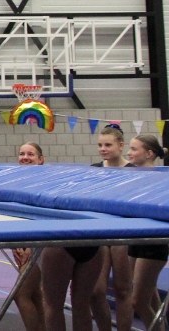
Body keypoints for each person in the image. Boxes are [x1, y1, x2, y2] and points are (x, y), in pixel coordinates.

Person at [89, 124, 132, 331]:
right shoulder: (95, 170)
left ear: (121, 145)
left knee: (123, 290)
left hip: (123, 233)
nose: (103, 149)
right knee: (96, 291)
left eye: (108, 144)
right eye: (99, 145)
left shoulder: (134, 172)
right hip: (100, 231)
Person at [126, 134, 169, 330]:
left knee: (139, 302)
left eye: (134, 149)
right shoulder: (130, 175)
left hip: (153, 240)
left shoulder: (160, 178)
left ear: (149, 154)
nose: (129, 152)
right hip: (136, 236)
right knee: (149, 298)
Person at [11, 143, 45, 331]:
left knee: (21, 294)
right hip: (23, 242)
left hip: (39, 244)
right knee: (35, 294)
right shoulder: (16, 183)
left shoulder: (42, 184)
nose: (25, 157)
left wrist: (32, 246)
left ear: (41, 160)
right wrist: (16, 244)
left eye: (30, 154)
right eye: (21, 153)